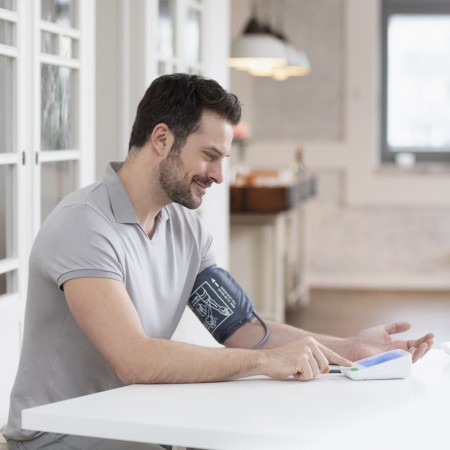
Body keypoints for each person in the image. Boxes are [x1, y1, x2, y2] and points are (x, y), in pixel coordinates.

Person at [4, 73, 434, 450]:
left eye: (223, 159)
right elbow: (134, 359)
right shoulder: (85, 225)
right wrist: (266, 364)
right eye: (209, 155)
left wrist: (348, 350)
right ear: (161, 139)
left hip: (131, 422)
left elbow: (242, 329)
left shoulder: (185, 229)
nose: (218, 175)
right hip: (57, 435)